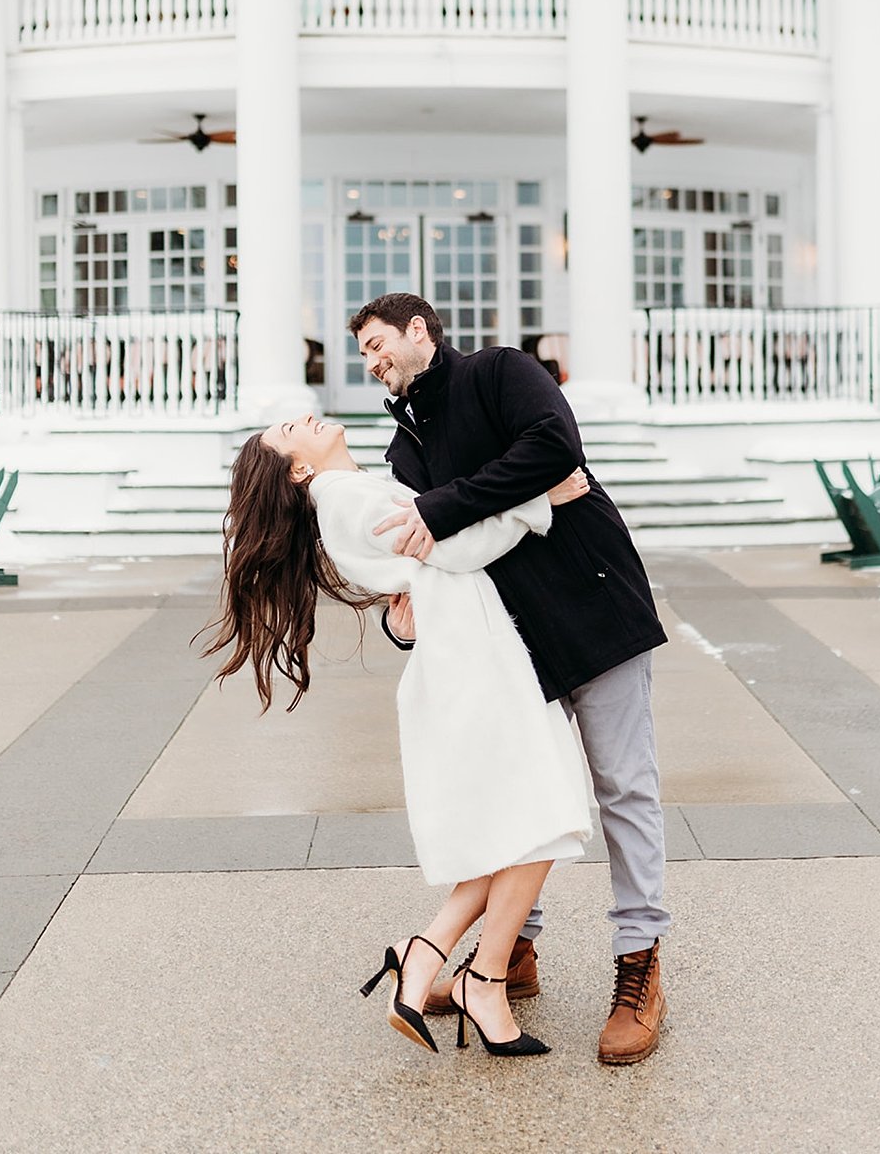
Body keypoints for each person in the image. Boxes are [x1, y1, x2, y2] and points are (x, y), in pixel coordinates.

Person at [203, 415, 597, 1057]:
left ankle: (427, 959)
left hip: (471, 655)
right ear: (298, 469)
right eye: (286, 431)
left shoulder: (353, 495)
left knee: (523, 825)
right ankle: (482, 978)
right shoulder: (346, 500)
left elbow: (438, 549)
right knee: (545, 815)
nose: (301, 417)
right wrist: (537, 500)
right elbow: (457, 547)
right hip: (473, 662)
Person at [349, 292, 673, 1066]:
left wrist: (444, 509)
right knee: (517, 792)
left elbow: (554, 446)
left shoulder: (502, 372)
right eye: (363, 353)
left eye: (376, 343)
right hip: (510, 640)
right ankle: (512, 951)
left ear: (418, 329)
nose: (371, 361)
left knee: (623, 786)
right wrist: (406, 613)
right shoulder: (402, 451)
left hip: (596, 608)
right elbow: (425, 558)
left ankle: (641, 960)